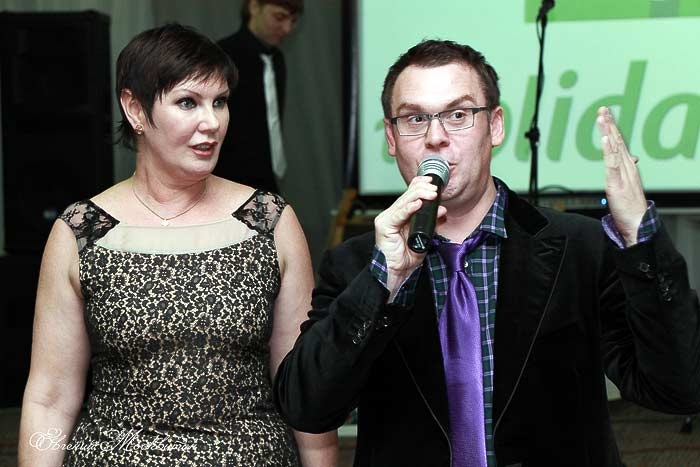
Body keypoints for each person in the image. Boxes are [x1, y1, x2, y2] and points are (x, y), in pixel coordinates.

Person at [273, 39, 700, 466]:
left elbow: (679, 387)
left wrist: (640, 237)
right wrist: (381, 281)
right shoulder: (357, 265)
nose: (436, 137)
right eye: (415, 119)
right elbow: (307, 407)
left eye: (458, 115)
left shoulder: (579, 248)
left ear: (494, 126)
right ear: (391, 137)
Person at [17, 23, 336, 466]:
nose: (212, 122)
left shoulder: (268, 220)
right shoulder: (82, 229)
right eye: (188, 102)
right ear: (135, 109)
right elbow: (50, 399)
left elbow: (305, 392)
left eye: (219, 101)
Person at [215, 0, 303, 194]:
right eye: (279, 17)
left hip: (268, 178)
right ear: (254, 7)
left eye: (293, 21)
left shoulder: (277, 59)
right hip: (228, 179)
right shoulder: (221, 57)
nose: (287, 29)